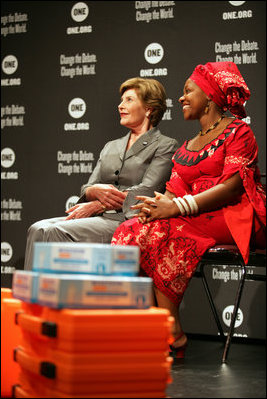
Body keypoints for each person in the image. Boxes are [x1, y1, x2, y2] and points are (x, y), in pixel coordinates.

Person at [111, 62, 266, 358]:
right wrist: (154, 208)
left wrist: (176, 207)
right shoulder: (188, 145)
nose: (181, 98)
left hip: (236, 215)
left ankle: (171, 333)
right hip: (196, 217)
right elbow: (172, 192)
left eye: (188, 91)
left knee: (164, 231)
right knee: (131, 231)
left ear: (209, 97)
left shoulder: (238, 133)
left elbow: (233, 187)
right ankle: (149, 327)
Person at [24, 77, 178, 270]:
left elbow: (147, 191)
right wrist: (93, 191)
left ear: (149, 109)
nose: (120, 106)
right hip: (99, 219)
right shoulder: (111, 146)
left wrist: (97, 205)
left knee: (54, 232)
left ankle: (45, 297)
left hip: (130, 220)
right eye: (121, 100)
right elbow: (88, 187)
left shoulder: (165, 145)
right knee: (37, 229)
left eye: (129, 100)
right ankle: (35, 298)